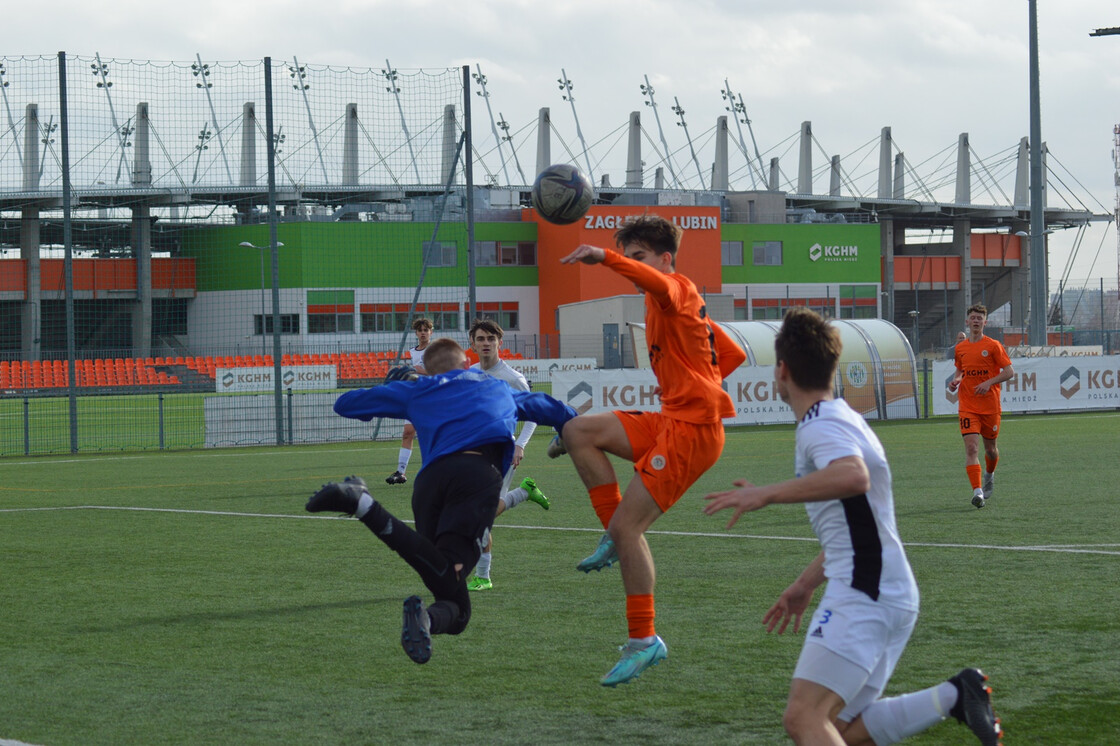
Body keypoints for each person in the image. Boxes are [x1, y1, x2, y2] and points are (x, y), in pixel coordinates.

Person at [703, 307, 1002, 746]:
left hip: (865, 591)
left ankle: (957, 694)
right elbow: (858, 521)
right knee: (839, 727)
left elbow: (852, 476)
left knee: (803, 717)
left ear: (782, 371)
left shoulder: (819, 426)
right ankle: (955, 695)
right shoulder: (844, 418)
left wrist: (764, 493)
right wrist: (806, 583)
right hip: (888, 588)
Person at [552, 214, 747, 686]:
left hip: (692, 432)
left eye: (639, 257)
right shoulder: (675, 306)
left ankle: (645, 640)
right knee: (578, 430)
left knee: (629, 529)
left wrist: (605, 257)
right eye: (627, 255)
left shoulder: (675, 287)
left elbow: (657, 284)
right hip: (673, 419)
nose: (632, 265)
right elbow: (734, 354)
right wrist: (698, 381)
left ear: (664, 259)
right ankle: (614, 535)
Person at [305, 337, 577, 664]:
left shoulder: (419, 389)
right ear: (466, 364)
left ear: (427, 370)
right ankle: (362, 504)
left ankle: (428, 620)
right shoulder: (498, 389)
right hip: (476, 475)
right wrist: (566, 430)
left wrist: (402, 387)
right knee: (448, 571)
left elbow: (346, 404)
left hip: (430, 485)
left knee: (454, 602)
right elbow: (553, 407)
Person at [465, 318, 551, 592]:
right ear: (473, 344)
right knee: (479, 511)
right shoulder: (470, 373)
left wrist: (520, 444)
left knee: (480, 515)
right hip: (473, 453)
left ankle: (483, 575)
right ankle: (523, 493)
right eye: (481, 339)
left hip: (502, 453)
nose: (486, 343)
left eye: (491, 339)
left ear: (500, 343)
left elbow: (534, 415)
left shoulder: (513, 379)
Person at [949, 304, 1014, 509]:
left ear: (985, 322)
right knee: (971, 447)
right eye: (973, 318)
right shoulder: (961, 348)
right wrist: (956, 380)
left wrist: (988, 382)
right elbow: (960, 370)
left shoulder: (993, 345)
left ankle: (990, 474)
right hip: (968, 405)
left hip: (990, 406)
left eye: (980, 318)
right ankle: (977, 492)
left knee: (991, 450)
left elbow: (1009, 372)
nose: (976, 321)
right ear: (967, 322)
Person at [386, 317, 433, 485]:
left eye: (425, 330)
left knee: (430, 436)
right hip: (416, 395)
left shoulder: (435, 350)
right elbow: (416, 372)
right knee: (407, 433)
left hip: (431, 396)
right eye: (420, 330)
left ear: (431, 332)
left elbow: (437, 371)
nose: (423, 333)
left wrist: (414, 369)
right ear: (416, 333)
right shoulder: (413, 351)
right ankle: (401, 472)